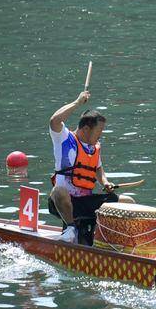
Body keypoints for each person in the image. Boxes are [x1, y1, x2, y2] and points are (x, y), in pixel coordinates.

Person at [47, 89, 131, 244]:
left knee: (128, 202)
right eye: (99, 131)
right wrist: (77, 103)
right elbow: (54, 121)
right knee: (58, 191)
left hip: (86, 202)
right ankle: (70, 229)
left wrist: (105, 182)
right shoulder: (64, 139)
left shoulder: (94, 148)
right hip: (65, 202)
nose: (101, 134)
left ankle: (118, 241)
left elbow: (98, 169)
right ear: (86, 129)